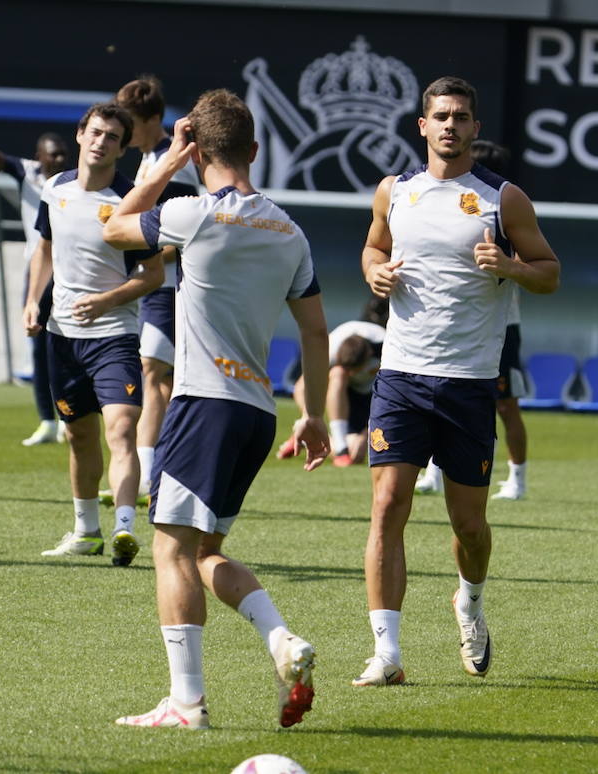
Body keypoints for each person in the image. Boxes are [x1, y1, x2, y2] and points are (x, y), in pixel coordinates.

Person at [102, 89, 330, 730]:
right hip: (257, 414)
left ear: (199, 150)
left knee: (170, 551)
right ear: (255, 151)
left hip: (202, 404)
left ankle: (187, 704)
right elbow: (316, 333)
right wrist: (311, 413)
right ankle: (282, 640)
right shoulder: (290, 230)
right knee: (205, 553)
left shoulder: (192, 213)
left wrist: (167, 163)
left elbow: (116, 225)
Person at [354, 77, 559, 688]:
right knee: (387, 507)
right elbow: (371, 247)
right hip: (401, 375)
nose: (450, 125)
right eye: (440, 116)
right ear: (422, 125)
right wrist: (375, 273)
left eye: (461, 117)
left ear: (475, 128)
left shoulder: (503, 199)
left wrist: (511, 266)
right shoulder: (395, 191)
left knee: (468, 527)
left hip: (470, 384)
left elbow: (550, 273)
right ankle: (387, 653)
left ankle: (469, 600)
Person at [23, 101, 163, 565]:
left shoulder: (132, 202)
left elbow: (154, 275)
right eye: (96, 133)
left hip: (114, 335)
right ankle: (86, 531)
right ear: (81, 135)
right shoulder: (54, 189)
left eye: (112, 138)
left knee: (120, 429)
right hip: (61, 336)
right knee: (78, 436)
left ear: (122, 149)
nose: (101, 142)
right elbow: (43, 248)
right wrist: (32, 301)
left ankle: (124, 529)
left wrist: (106, 300)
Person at [415, 139, 533, 500]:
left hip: (499, 327)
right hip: (451, 324)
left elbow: (540, 268)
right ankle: (434, 472)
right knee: (440, 393)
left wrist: (506, 264)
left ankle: (518, 478)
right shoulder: (434, 202)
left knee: (505, 404)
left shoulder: (504, 206)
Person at [0, 112, 71, 446]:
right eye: (54, 154)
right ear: (41, 156)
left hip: (69, 272)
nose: (60, 159)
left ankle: (67, 417)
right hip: (36, 271)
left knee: (63, 347)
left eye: (63, 153)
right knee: (36, 347)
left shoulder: (76, 181)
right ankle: (46, 421)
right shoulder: (27, 171)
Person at [115, 75, 202, 499]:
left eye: (129, 120)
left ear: (151, 119)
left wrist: (137, 263)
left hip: (165, 289)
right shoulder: (148, 157)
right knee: (159, 377)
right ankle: (157, 467)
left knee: (154, 373)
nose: (122, 129)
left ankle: (152, 471)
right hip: (149, 288)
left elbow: (174, 237)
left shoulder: (172, 162)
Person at [277, 307, 385, 467]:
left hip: (374, 395)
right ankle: (339, 447)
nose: (352, 374)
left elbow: (393, 393)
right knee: (338, 373)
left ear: (369, 355)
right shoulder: (330, 349)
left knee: (357, 453)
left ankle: (309, 442)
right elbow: (300, 388)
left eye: (355, 370)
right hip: (343, 394)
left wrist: (368, 432)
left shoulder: (385, 346)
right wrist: (311, 420)